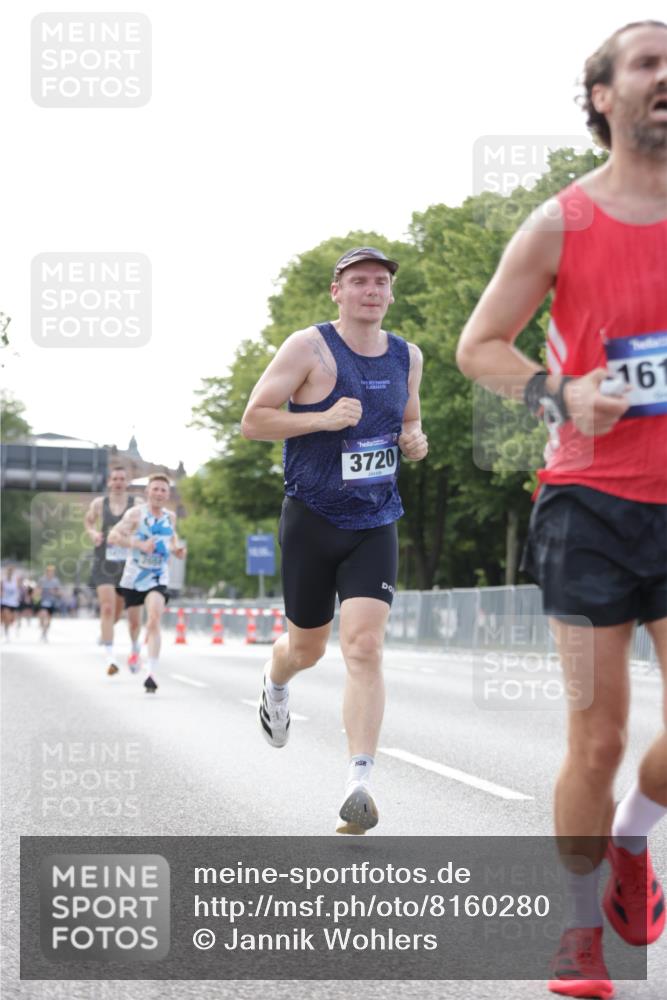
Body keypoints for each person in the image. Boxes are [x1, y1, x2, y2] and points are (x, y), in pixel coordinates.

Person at [456, 21, 667, 998]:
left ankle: (631, 840)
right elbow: (479, 348)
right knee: (598, 736)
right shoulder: (560, 222)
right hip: (587, 506)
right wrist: (561, 392)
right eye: (648, 62)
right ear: (600, 97)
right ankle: (581, 932)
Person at [241, 246, 428, 834]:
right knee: (307, 650)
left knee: (365, 647)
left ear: (390, 294)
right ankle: (275, 682)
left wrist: (415, 440)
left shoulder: (407, 356)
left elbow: (409, 420)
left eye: (381, 282)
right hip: (312, 517)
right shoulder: (309, 347)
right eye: (359, 281)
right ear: (337, 292)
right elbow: (254, 420)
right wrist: (320, 419)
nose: (372, 290)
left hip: (375, 520)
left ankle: (359, 782)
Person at [107, 474, 186, 693]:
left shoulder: (170, 517)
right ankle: (135, 648)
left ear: (168, 495)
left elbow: (171, 539)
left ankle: (151, 673)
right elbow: (113, 536)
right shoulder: (135, 514)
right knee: (134, 624)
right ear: (147, 492)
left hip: (157, 577)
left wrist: (177, 550)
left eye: (163, 490)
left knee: (153, 619)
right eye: (155, 489)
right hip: (134, 577)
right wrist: (138, 544)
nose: (159, 493)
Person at [84, 466, 142, 676]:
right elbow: (89, 521)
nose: (118, 482)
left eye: (122, 479)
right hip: (104, 561)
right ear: (109, 481)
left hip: (128, 563)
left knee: (120, 613)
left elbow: (145, 526)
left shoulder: (137, 504)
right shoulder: (99, 504)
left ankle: (134, 649)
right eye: (115, 478)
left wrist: (132, 536)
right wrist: (92, 533)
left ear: (127, 482)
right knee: (107, 608)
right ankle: (110, 658)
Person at [35, 565, 62, 641]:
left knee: (49, 621)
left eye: (52, 571)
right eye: (49, 571)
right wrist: (38, 592)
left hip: (52, 602)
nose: (51, 572)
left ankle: (44, 633)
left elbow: (59, 592)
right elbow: (37, 590)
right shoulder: (42, 580)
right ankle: (43, 629)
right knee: (43, 615)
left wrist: (54, 592)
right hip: (43, 601)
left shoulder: (56, 581)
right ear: (46, 572)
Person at [1, 565, 22, 639]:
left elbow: (19, 589)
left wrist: (19, 597)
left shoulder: (16, 580)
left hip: (13, 602)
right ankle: (6, 632)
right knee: (6, 616)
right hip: (5, 602)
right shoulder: (3, 580)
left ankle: (7, 628)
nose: (10, 573)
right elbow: (1, 590)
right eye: (9, 571)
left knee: (11, 619)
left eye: (11, 571)